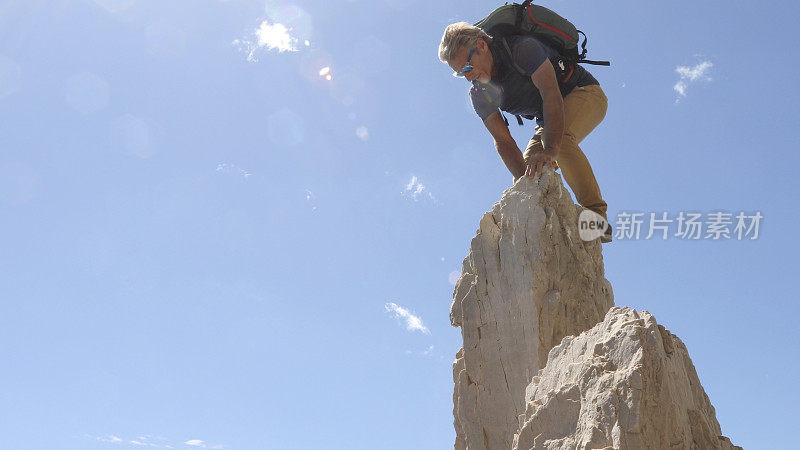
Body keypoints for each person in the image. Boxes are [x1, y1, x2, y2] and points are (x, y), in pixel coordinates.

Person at [438, 22, 612, 243]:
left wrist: (551, 149)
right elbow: (503, 141)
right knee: (531, 166)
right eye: (460, 74)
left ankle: (596, 218)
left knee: (560, 143)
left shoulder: (522, 49)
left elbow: (551, 93)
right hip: (548, 119)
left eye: (467, 67)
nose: (468, 76)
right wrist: (527, 186)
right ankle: (549, 223)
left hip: (585, 93)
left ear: (481, 45)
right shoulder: (480, 94)